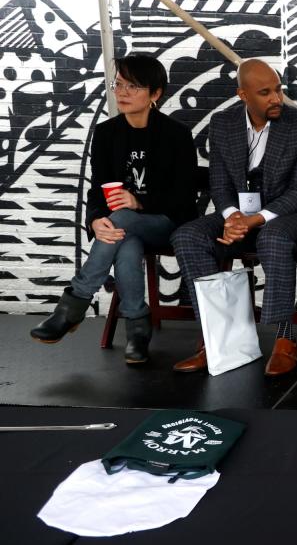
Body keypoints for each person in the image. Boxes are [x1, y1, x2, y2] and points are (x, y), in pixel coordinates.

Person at [30, 54, 197, 365]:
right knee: (124, 239)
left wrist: (140, 202)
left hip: (168, 222)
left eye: (133, 86)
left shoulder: (176, 135)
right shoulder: (107, 134)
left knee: (120, 220)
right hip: (126, 228)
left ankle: (74, 302)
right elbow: (98, 189)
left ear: (155, 93)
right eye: (118, 84)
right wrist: (94, 221)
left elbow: (185, 198)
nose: (122, 92)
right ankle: (137, 328)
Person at [171, 59, 297, 376]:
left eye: (278, 90)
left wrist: (255, 220)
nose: (276, 99)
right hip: (241, 214)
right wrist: (231, 217)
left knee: (273, 237)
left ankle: (285, 341)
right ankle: (217, 340)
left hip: (295, 214)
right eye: (265, 92)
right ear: (243, 94)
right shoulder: (223, 123)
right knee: (188, 236)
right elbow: (219, 183)